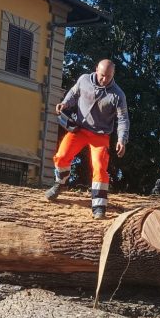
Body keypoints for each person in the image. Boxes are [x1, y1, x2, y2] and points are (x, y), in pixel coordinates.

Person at [45, 59, 129, 219]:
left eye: (109, 76)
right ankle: (60, 184)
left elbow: (123, 119)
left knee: (99, 167)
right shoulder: (84, 80)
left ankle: (99, 206)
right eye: (103, 75)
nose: (105, 79)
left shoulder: (118, 95)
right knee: (61, 156)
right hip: (79, 129)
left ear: (113, 74)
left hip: (101, 135)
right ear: (96, 69)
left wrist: (121, 139)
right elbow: (73, 93)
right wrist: (64, 104)